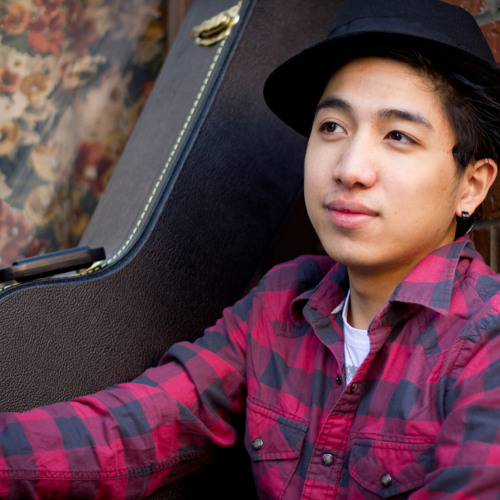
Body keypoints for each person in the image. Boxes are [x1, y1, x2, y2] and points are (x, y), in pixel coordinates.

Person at [1, 0, 500, 498]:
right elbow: (132, 429)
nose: (350, 168)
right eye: (332, 127)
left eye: (398, 135)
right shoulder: (282, 304)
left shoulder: (487, 341)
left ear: (471, 186)